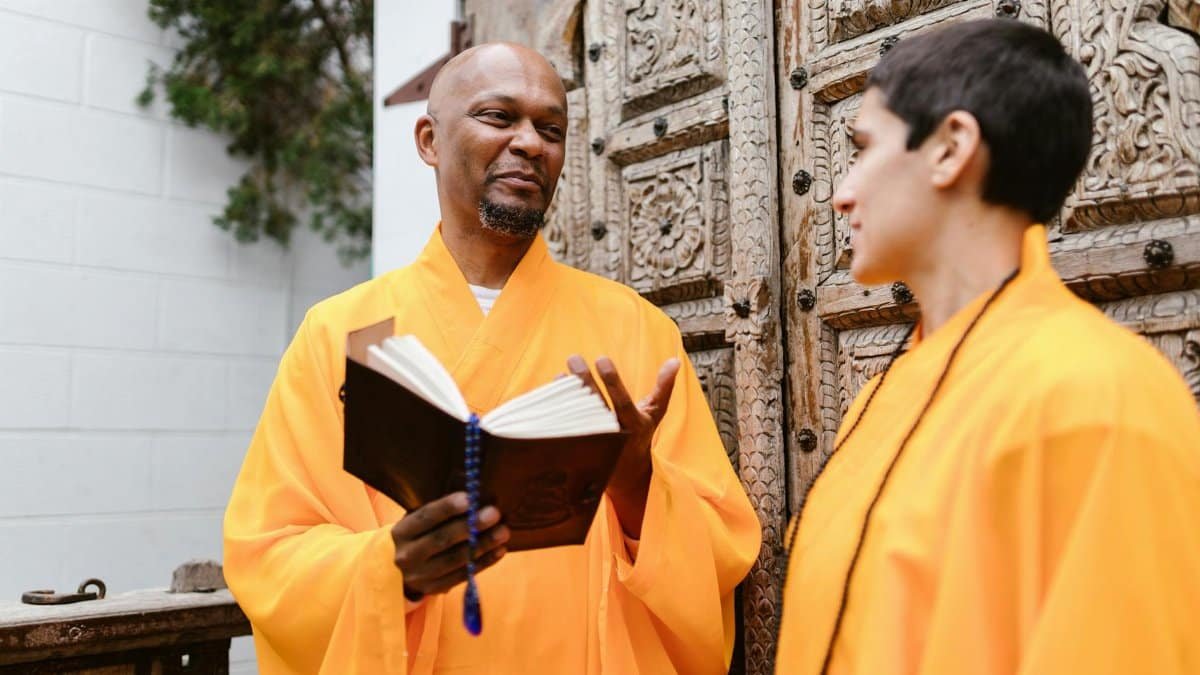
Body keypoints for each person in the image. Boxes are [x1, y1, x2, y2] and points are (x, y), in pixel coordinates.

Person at [224, 42, 760, 674]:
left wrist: (639, 485)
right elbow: (268, 553)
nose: (530, 143)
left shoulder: (635, 330)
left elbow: (722, 548)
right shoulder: (341, 333)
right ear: (429, 140)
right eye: (499, 117)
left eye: (550, 128)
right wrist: (388, 567)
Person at [775, 18, 1200, 674]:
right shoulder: (886, 393)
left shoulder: (1098, 397)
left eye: (864, 148)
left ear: (950, 148)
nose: (841, 193)